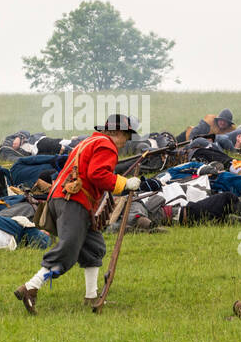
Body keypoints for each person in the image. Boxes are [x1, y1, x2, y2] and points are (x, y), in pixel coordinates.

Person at [14, 114, 144, 313]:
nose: (126, 142)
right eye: (126, 136)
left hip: (65, 199)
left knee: (93, 248)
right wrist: (123, 183)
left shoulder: (90, 141)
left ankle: (92, 297)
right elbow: (98, 174)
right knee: (68, 250)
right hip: (74, 202)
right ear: (118, 133)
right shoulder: (106, 146)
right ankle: (31, 287)